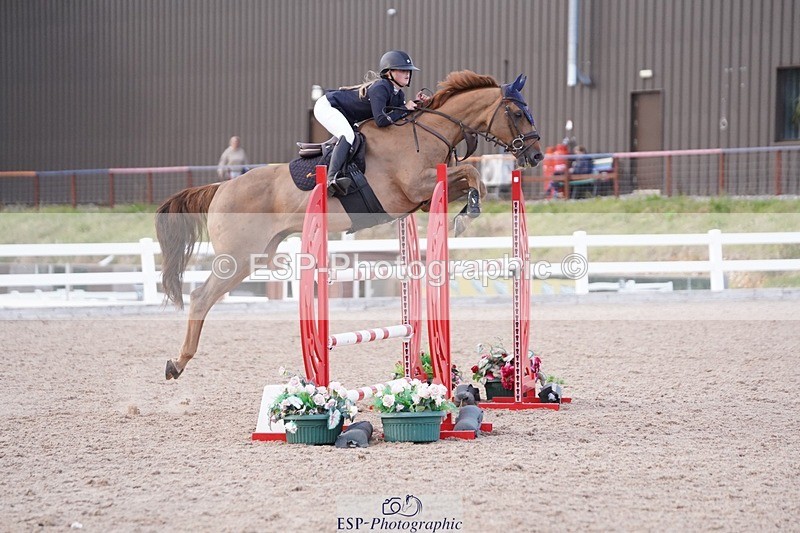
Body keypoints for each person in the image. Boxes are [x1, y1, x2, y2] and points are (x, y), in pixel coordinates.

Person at [313, 50, 431, 195]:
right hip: (328, 106)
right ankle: (331, 179)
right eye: (402, 70)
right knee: (348, 135)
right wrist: (406, 108)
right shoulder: (381, 88)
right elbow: (381, 120)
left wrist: (419, 105)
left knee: (356, 138)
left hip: (346, 114)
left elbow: (400, 117)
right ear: (389, 73)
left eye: (409, 71)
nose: (407, 74)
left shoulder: (398, 94)